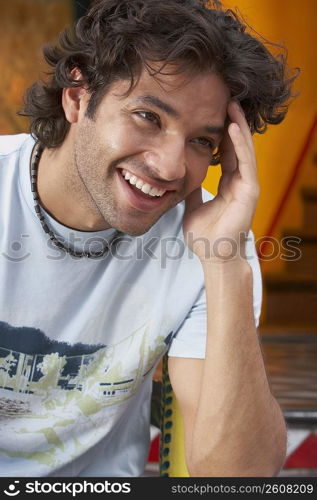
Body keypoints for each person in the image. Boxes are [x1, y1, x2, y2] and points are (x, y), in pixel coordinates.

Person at [0, 0, 296, 477]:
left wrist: (225, 266)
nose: (171, 167)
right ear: (77, 97)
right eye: (148, 117)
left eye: (202, 141)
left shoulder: (211, 241)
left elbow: (236, 479)